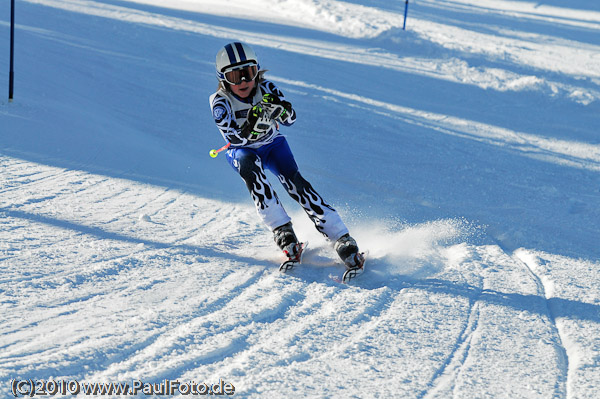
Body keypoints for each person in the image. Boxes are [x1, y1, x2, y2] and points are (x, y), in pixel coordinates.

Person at [209, 42, 363, 268]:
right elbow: (236, 138)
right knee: (252, 173)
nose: (243, 81)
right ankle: (282, 230)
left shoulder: (267, 88)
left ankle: (340, 236)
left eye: (249, 73)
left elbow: (291, 119)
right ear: (223, 79)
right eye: (234, 76)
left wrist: (281, 109)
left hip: (272, 144)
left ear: (257, 71)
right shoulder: (220, 102)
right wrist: (254, 123)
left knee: (297, 184)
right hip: (241, 150)